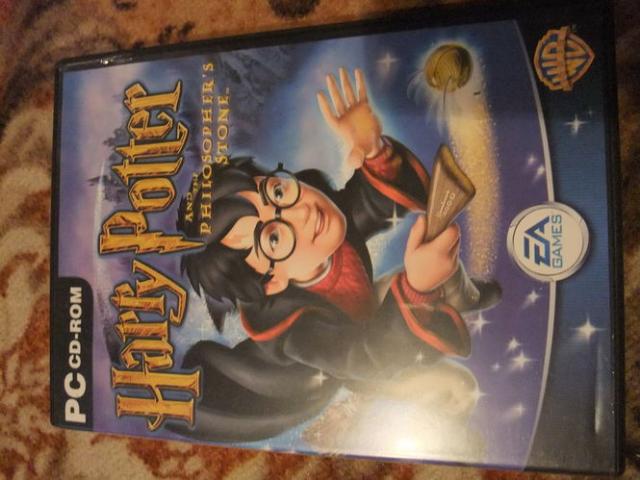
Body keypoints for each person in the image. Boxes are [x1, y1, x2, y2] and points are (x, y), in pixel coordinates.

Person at [172, 68, 500, 442]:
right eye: (274, 237)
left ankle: (466, 296)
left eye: (277, 193)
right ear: (273, 280)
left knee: (421, 273)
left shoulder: (324, 219)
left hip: (366, 313)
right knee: (455, 386)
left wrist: (374, 150)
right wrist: (418, 288)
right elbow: (367, 358)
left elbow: (368, 205)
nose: (300, 212)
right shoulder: (294, 331)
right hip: (350, 364)